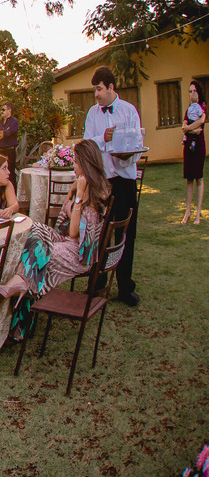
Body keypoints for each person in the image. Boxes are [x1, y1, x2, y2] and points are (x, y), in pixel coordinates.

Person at [1, 139, 110, 335]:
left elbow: (76, 232)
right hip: (66, 240)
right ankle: (22, 283)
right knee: (33, 229)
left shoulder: (95, 191)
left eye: (76, 162)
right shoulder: (82, 185)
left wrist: (78, 196)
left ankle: (20, 323)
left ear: (85, 163)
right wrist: (72, 191)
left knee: (37, 258)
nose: (73, 166)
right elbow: (63, 224)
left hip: (78, 253)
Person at [83, 65, 142, 306]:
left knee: (125, 233)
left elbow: (137, 141)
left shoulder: (129, 111)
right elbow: (87, 144)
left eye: (99, 89)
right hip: (102, 182)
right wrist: (102, 138)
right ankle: (98, 282)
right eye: (94, 90)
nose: (96, 94)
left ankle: (125, 287)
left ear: (110, 87)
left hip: (125, 180)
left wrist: (129, 156)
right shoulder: (92, 114)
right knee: (101, 233)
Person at [182, 80, 206, 225]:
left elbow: (201, 121)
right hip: (188, 146)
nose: (192, 94)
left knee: (199, 178)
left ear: (199, 92)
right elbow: (183, 126)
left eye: (194, 91)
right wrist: (192, 129)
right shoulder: (188, 109)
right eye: (190, 91)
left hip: (199, 147)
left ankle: (198, 213)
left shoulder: (202, 107)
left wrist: (189, 128)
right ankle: (188, 211)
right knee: (189, 179)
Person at [0, 101, 20, 185]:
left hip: (9, 151)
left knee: (10, 173)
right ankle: (1, 194)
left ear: (9, 110)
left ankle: (12, 195)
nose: (1, 111)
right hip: (0, 151)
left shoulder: (14, 122)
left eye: (3, 109)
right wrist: (0, 133)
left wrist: (0, 133)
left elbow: (8, 133)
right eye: (1, 110)